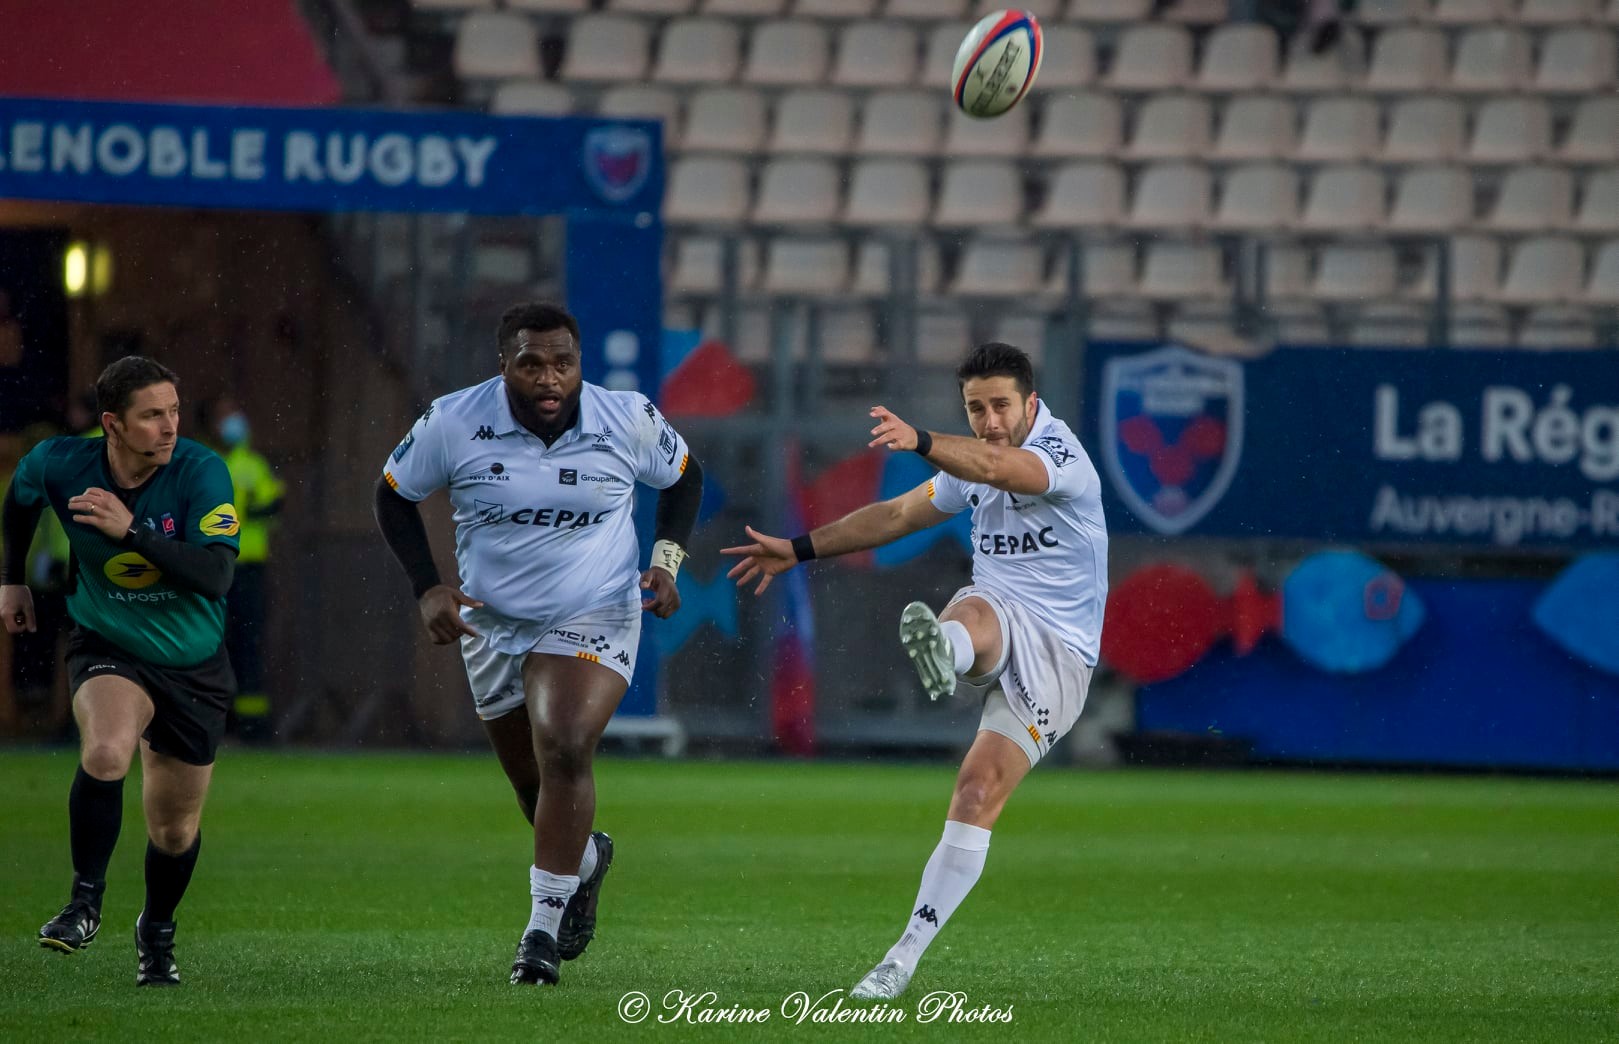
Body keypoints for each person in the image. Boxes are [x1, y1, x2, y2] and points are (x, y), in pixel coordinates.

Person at [723, 342, 1108, 1001]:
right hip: (997, 610)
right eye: (974, 407)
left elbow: (997, 465)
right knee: (980, 610)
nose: (988, 419)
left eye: (999, 406)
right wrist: (798, 548)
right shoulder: (968, 464)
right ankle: (946, 648)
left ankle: (949, 652)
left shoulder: (1060, 457)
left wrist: (922, 439)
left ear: (1031, 404)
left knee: (975, 793)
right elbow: (898, 514)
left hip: (1062, 653)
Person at [373, 301, 703, 987]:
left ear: (579, 363)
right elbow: (392, 494)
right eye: (530, 363)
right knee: (532, 784)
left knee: (564, 743)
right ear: (504, 365)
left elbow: (683, 477)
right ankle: (583, 862)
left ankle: (539, 934)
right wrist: (427, 587)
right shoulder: (454, 420)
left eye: (562, 362)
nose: (549, 378)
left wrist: (666, 561)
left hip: (596, 608)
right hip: (492, 623)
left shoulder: (626, 418)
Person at [2, 356, 239, 986]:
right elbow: (20, 498)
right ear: (112, 424)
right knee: (106, 752)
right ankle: (84, 902)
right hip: (108, 641)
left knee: (173, 829)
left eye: (174, 411)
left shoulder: (201, 470)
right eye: (152, 415)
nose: (170, 427)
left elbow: (216, 577)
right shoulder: (62, 463)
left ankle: (156, 931)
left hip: (193, 663)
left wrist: (131, 530)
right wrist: (11, 581)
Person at [197, 395, 285, 743]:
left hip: (248, 570)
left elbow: (273, 507)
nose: (234, 421)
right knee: (208, 646)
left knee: (249, 645)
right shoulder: (199, 463)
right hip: (209, 571)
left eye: (235, 412)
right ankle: (211, 721)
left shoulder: (253, 464)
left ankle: (251, 727)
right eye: (224, 414)